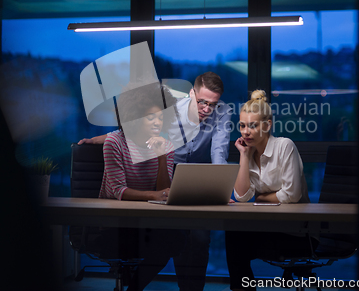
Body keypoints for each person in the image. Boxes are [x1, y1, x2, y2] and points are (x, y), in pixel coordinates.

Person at [79, 72, 233, 291]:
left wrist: (220, 186)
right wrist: (99, 139)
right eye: (202, 102)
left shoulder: (170, 141)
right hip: (131, 211)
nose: (207, 109)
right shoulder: (126, 136)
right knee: (175, 239)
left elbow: (218, 151)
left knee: (191, 239)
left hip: (182, 180)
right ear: (192, 93)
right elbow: (134, 131)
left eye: (213, 104)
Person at [96, 81, 186, 291]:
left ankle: (134, 288)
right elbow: (120, 191)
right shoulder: (114, 142)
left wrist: (162, 157)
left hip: (148, 224)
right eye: (150, 117)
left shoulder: (166, 145)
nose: (157, 122)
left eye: (161, 117)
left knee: (177, 238)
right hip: (115, 225)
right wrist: (156, 195)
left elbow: (165, 191)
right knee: (165, 242)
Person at [225, 90, 317, 291]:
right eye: (242, 126)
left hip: (297, 233)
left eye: (253, 125)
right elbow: (241, 197)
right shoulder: (248, 153)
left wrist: (262, 197)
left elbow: (292, 195)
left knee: (236, 240)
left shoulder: (285, 146)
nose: (246, 131)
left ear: (267, 125)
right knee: (233, 234)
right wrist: (243, 156)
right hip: (269, 228)